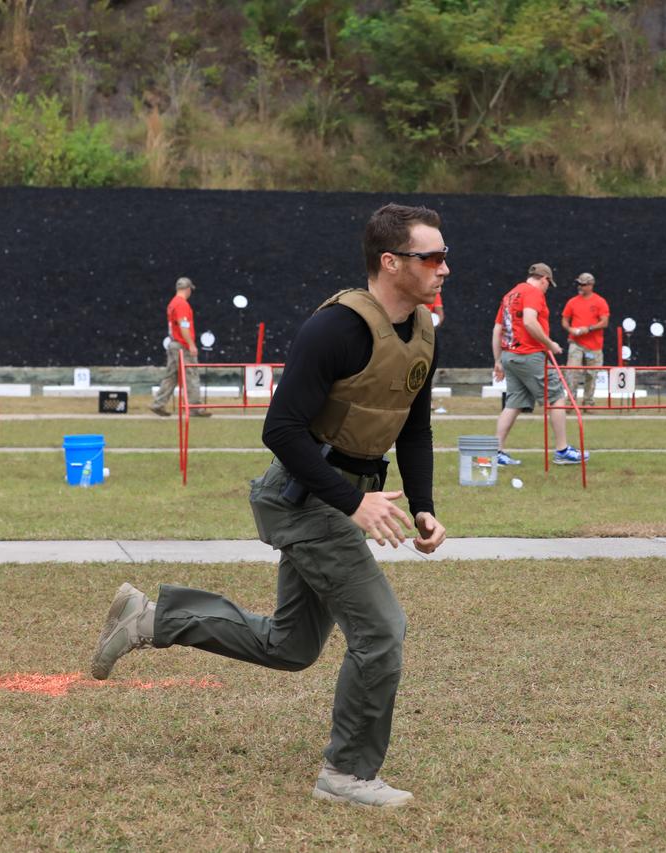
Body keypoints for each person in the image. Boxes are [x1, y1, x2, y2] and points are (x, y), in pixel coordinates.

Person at [91, 203, 448, 809]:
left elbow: (413, 427)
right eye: (432, 257)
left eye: (444, 256)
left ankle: (152, 619)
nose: (445, 268)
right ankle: (347, 775)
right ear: (391, 263)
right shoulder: (335, 330)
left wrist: (424, 505)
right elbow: (281, 430)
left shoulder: (422, 330)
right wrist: (351, 504)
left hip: (340, 499)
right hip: (307, 500)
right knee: (382, 631)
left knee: (292, 646)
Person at [491, 262, 588, 466]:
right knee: (556, 397)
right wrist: (550, 344)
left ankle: (496, 452)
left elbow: (497, 329)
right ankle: (562, 450)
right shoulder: (534, 293)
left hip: (510, 356)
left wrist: (498, 360)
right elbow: (529, 321)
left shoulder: (509, 295)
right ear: (543, 279)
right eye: (547, 284)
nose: (547, 289)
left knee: (514, 403)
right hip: (529, 355)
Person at [150, 277, 210, 417]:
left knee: (171, 376)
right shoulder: (182, 304)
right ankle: (195, 407)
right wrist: (191, 344)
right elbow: (184, 326)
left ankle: (158, 403)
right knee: (191, 374)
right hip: (182, 345)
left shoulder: (172, 303)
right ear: (188, 289)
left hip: (173, 344)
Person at [561, 272, 610, 408]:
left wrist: (588, 328)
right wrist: (570, 329)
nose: (580, 287)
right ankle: (571, 402)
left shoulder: (600, 301)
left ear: (591, 285)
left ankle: (588, 402)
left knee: (591, 374)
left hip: (593, 346)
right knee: (572, 372)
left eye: (583, 284)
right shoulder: (572, 302)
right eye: (579, 284)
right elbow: (564, 320)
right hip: (576, 343)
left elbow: (604, 322)